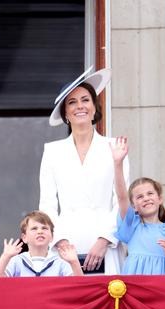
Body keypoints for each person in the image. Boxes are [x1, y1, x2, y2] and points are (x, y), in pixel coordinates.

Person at [39, 67, 129, 275]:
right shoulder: (52, 152)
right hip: (65, 245)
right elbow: (47, 204)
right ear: (66, 114)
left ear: (94, 107)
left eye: (85, 100)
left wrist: (104, 240)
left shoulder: (115, 146)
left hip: (106, 245)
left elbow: (121, 201)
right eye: (72, 102)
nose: (80, 106)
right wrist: (60, 240)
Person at [110, 137, 165, 275]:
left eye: (150, 193)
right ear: (134, 207)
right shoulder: (132, 225)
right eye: (140, 197)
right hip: (136, 287)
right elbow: (121, 196)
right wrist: (118, 163)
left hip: (163, 287)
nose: (146, 198)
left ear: (160, 198)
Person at [0, 210, 83, 277]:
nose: (40, 231)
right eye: (34, 228)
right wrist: (5, 257)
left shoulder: (60, 262)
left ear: (52, 237)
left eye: (44, 228)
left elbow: (78, 287)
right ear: (24, 237)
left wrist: (74, 262)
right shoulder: (17, 261)